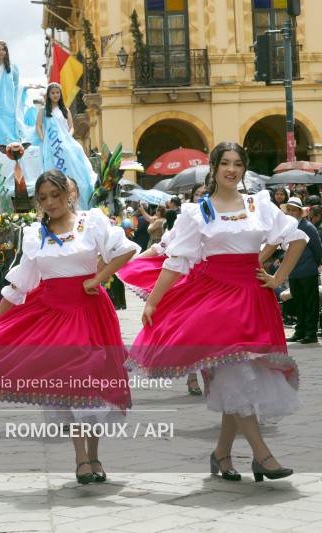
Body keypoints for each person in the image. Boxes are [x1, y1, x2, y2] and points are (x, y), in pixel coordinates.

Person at [130, 142, 307, 483]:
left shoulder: (259, 204)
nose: (231, 169)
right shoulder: (199, 212)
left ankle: (221, 455)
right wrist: (153, 300)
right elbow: (177, 261)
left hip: (254, 299)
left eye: (237, 163)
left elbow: (296, 238)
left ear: (244, 168)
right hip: (216, 301)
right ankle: (262, 456)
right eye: (224, 163)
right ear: (213, 167)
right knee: (236, 373)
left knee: (235, 375)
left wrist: (277, 278)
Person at [0, 170, 138, 484]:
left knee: (94, 387)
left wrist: (97, 278)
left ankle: (93, 455)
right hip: (54, 316)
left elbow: (125, 250)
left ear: (68, 193)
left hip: (91, 314)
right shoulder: (34, 234)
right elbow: (20, 283)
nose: (50, 202)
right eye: (43, 198)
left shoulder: (91, 222)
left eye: (55, 195)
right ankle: (81, 458)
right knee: (72, 386)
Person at [284, 197, 322, 344]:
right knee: (298, 302)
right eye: (289, 209)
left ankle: (310, 333)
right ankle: (300, 331)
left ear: (300, 212)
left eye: (294, 210)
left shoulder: (308, 227)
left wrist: (314, 265)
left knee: (310, 302)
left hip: (307, 271)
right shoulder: (287, 227)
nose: (291, 212)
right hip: (293, 271)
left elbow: (318, 250)